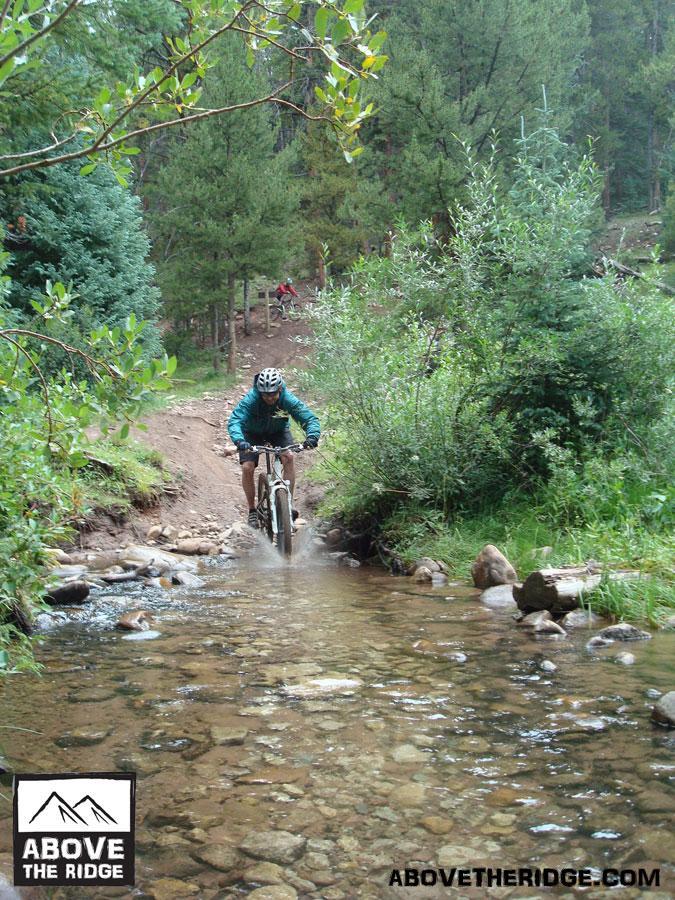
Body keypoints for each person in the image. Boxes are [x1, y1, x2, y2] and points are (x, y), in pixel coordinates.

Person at [227, 367, 320, 528]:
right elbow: (235, 420)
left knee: (288, 456)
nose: (269, 398)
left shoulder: (287, 398)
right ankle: (252, 511)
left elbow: (308, 417)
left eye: (273, 394)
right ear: (260, 391)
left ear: (279, 389)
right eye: (265, 395)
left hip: (278, 431)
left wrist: (312, 436)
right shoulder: (251, 399)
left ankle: (287, 504)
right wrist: (239, 441)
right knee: (247, 467)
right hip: (252, 433)